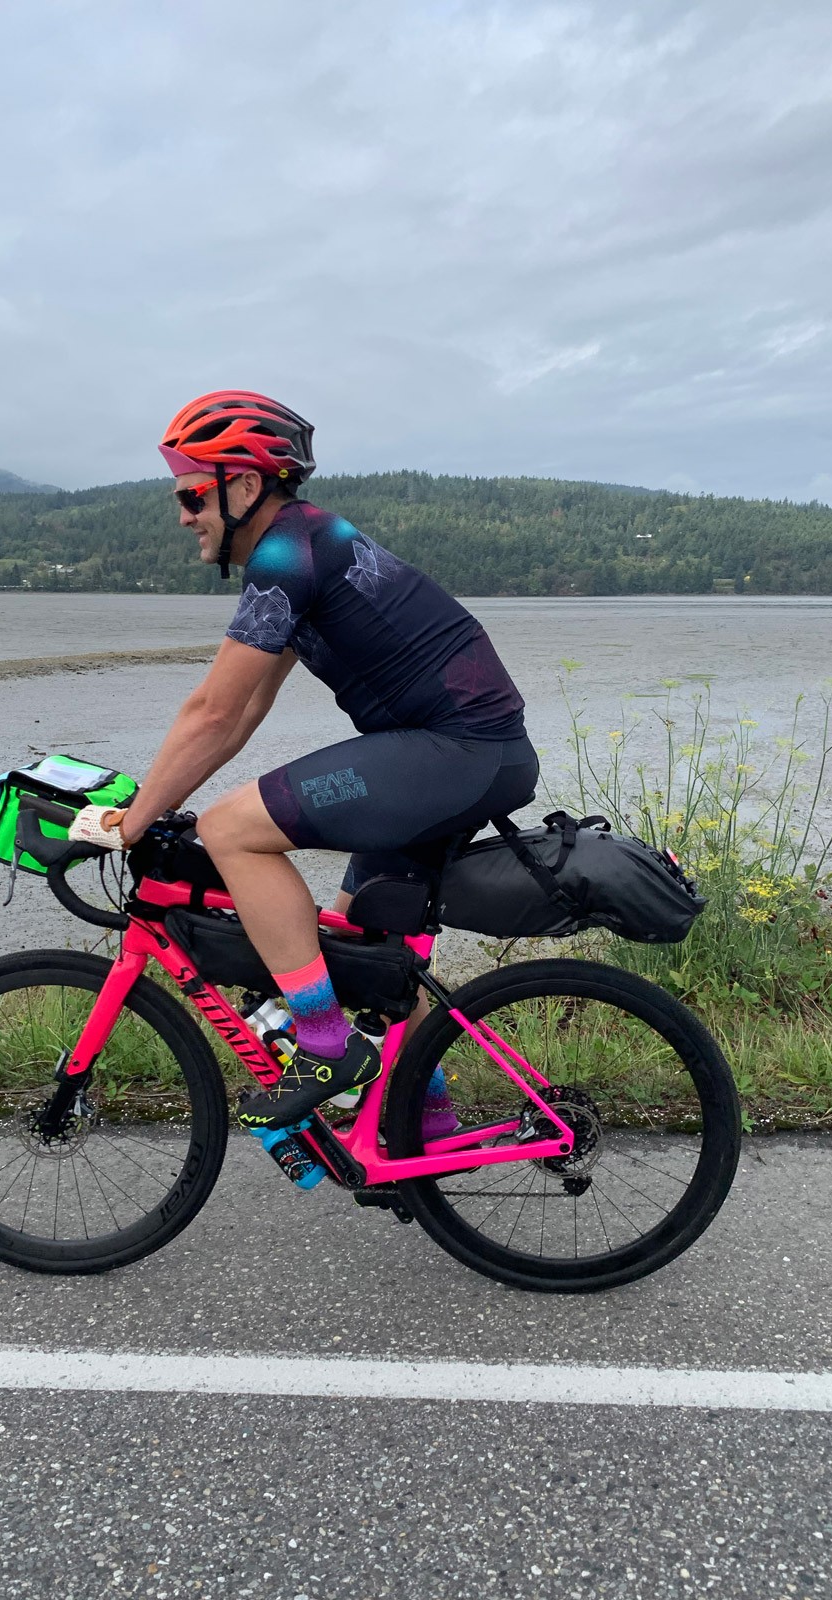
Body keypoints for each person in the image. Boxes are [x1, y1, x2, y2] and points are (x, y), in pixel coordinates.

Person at [69, 390, 537, 1132]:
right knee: (358, 953)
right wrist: (153, 804)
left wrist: (132, 825)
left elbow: (211, 712)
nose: (184, 515)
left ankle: (325, 1046)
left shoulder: (287, 555)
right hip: (469, 754)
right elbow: (242, 715)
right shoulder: (306, 544)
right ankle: (428, 1127)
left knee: (231, 831)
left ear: (245, 485)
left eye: (193, 493)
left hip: (455, 752)